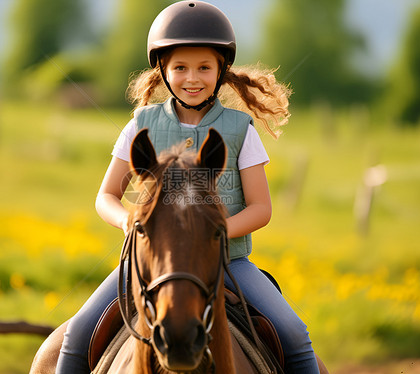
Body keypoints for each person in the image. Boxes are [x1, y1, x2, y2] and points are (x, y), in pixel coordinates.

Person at [56, 1, 319, 373]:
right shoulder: (140, 125)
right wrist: (128, 221)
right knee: (77, 334)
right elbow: (106, 196)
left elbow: (261, 208)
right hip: (149, 265)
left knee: (294, 335)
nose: (192, 78)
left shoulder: (240, 130)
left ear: (221, 71)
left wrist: (212, 233)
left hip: (228, 263)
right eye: (180, 67)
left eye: (204, 68)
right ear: (163, 70)